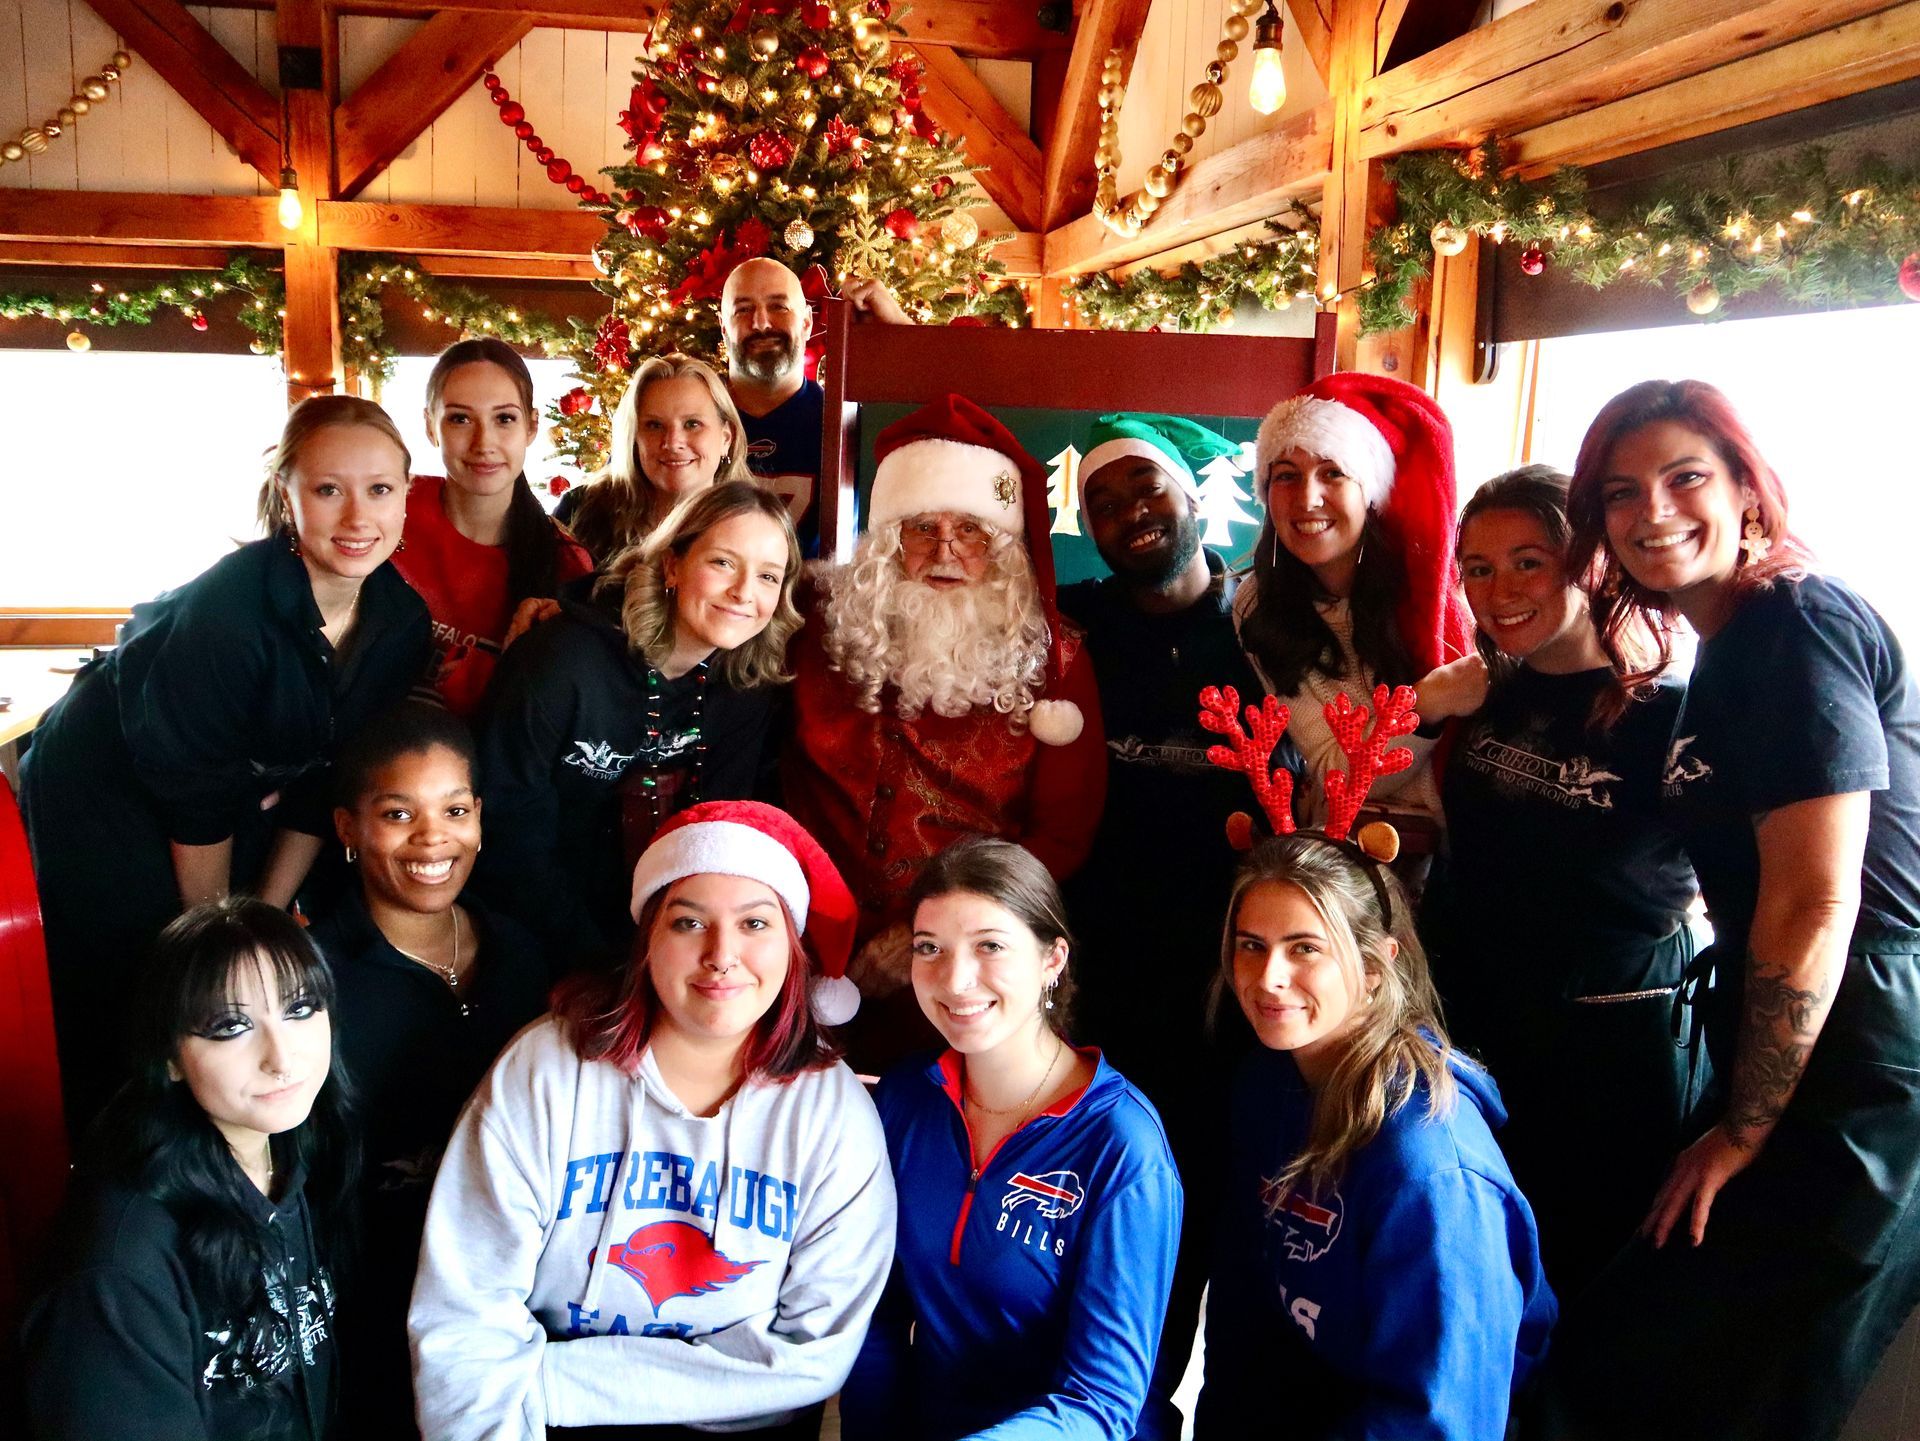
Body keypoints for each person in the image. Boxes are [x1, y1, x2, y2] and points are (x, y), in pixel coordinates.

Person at [1529, 380, 1920, 1441]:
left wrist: (1743, 1130)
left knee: (1723, 1387)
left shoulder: (1797, 620)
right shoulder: (1729, 641)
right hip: (1794, 1035)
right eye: (1621, 492)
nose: (1652, 511)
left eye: (1685, 476)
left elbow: (1817, 899)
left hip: (1862, 1051)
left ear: (1749, 488)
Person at [409, 800, 892, 1440]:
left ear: (792, 947)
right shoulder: (547, 1070)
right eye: (689, 922)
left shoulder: (833, 1114)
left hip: (730, 1429)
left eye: (755, 923)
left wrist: (545, 1380)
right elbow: (465, 1317)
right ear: (648, 941)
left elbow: (810, 1357)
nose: (722, 954)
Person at [19, 395, 431, 1131]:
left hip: (234, 787)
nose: (357, 516)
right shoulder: (229, 614)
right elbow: (196, 801)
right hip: (107, 784)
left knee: (251, 957)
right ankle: (127, 1150)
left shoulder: (401, 622)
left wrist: (263, 920)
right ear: (287, 495)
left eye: (378, 489)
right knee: (147, 973)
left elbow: (325, 779)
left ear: (407, 496)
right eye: (328, 489)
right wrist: (218, 940)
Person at [1056, 411, 1299, 1432]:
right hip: (1096, 1000)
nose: (1130, 513)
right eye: (1103, 503)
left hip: (1236, 1006)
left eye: (1146, 486)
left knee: (1213, 1240)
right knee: (1093, 1247)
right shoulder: (1075, 626)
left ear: (1196, 493)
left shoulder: (1268, 632)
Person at [1421, 465, 1704, 1300]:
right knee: (1463, 1279)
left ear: (1587, 562)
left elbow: (1745, 892)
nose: (1499, 590)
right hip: (1468, 1033)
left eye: (1528, 562)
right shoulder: (1482, 689)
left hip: (1602, 1058)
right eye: (1478, 568)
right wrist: (1425, 709)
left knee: (1576, 1293)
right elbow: (1376, 797)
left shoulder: (1667, 712)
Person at [781, 393, 1106, 1067]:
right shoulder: (814, 621)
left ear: (1005, 551)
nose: (946, 550)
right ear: (886, 543)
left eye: (973, 531)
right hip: (794, 951)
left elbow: (1061, 836)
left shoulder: (1057, 662)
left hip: (963, 978)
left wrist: (924, 936)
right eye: (921, 527)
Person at [1196, 835, 1556, 1440]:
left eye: (1304, 948)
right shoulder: (1266, 1084)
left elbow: (1442, 1420)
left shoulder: (1430, 1169)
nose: (1268, 978)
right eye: (1251, 945)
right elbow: (1243, 1308)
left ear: (1373, 966)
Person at [841, 836, 1182, 1441]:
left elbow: (1103, 1402)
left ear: (1052, 959)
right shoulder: (906, 1099)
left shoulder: (1121, 1142)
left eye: (990, 946)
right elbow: (876, 1318)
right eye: (929, 948)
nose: (955, 979)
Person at [23, 898, 353, 1441]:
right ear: (170, 1056)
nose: (282, 1058)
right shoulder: (119, 1270)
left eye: (299, 1009)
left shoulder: (298, 1153)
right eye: (231, 1025)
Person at [308, 700, 551, 1434]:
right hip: (369, 1301)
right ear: (348, 827)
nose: (433, 837)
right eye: (397, 814)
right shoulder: (310, 979)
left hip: (513, 1300)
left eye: (454, 809)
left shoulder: (522, 952)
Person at [477, 480, 802, 974]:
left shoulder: (746, 687)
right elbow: (509, 836)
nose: (744, 592)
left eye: (768, 577)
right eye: (723, 562)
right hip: (530, 929)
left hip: (665, 940)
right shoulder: (560, 661)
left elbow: (719, 832)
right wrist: (600, 965)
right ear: (672, 565)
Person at [1234, 373, 1481, 835]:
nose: (1307, 499)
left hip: (1474, 833)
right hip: (1364, 852)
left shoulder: (1438, 586)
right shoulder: (1259, 605)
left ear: (1369, 491)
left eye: (1333, 472)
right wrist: (1427, 703)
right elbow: (1335, 778)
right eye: (1285, 475)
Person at [398, 337, 593, 716]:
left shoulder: (567, 564)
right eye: (460, 419)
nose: (483, 443)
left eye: (504, 419)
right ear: (430, 426)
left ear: (531, 426)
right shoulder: (390, 505)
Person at [721, 257, 911, 557]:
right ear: (723, 328)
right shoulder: (692, 418)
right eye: (743, 309)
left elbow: (943, 425)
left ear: (807, 323)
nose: (761, 323)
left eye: (779, 306)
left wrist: (900, 335)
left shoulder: (846, 423)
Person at [559, 353, 754, 567]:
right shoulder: (581, 510)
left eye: (692, 424)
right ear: (634, 438)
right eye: (654, 425)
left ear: (726, 438)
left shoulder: (756, 526)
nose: (673, 442)